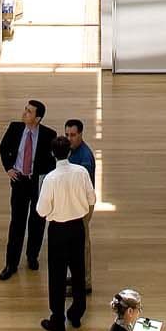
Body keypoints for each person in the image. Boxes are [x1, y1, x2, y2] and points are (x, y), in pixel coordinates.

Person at [36, 135, 97, 331]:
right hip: (77, 227)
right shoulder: (81, 172)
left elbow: (41, 210)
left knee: (57, 274)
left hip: (58, 230)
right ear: (69, 152)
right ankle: (77, 313)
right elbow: (92, 197)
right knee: (78, 271)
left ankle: (57, 319)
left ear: (53, 154)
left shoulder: (50, 179)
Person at [0, 98, 56, 279]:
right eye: (25, 109)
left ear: (38, 118)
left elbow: (52, 160)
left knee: (37, 221)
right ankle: (11, 263)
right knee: (17, 222)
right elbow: (3, 147)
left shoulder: (48, 135)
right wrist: (8, 168)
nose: (24, 113)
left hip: (36, 183)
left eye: (29, 111)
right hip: (19, 182)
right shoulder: (15, 128)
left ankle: (32, 256)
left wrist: (46, 180)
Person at [65, 117, 96, 292]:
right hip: (73, 204)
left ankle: (85, 282)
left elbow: (84, 187)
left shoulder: (85, 157)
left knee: (82, 244)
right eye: (67, 134)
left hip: (81, 205)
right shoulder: (71, 151)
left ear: (81, 134)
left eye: (73, 135)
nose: (69, 138)